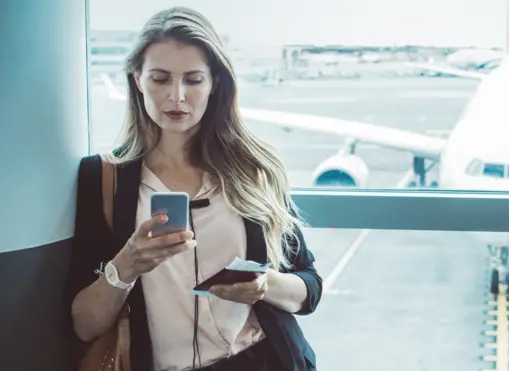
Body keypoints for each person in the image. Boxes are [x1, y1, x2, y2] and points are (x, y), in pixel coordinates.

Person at [64, 6, 322, 371]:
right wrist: (126, 265)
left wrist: (265, 285)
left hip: (268, 359)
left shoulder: (253, 167)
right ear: (137, 79)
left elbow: (309, 287)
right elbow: (84, 325)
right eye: (161, 78)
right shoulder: (103, 177)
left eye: (193, 79)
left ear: (215, 82)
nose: (177, 96)